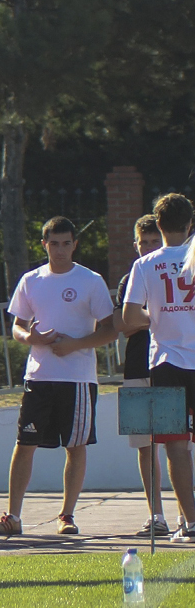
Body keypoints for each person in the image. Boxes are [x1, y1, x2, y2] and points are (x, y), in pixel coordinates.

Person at [0, 217, 116, 537]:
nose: (60, 250)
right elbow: (17, 327)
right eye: (53, 243)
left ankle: (67, 515)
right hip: (39, 376)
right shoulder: (31, 280)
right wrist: (32, 339)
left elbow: (111, 330)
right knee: (24, 443)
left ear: (75, 244)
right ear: (43, 245)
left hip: (78, 378)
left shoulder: (91, 280)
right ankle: (13, 516)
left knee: (76, 445)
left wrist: (75, 345)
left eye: (66, 243)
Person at [120, 193, 195, 537]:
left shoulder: (145, 264)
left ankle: (191, 523)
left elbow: (129, 316)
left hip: (166, 362)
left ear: (159, 225)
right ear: (189, 223)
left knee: (175, 445)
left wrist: (158, 315)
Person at [116, 216, 172, 537]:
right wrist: (159, 316)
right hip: (138, 367)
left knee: (179, 446)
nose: (148, 248)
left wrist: (143, 316)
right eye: (143, 243)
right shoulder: (131, 279)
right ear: (135, 245)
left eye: (154, 241)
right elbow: (123, 323)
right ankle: (157, 515)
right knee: (144, 444)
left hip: (171, 365)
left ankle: (184, 514)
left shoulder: (177, 275)